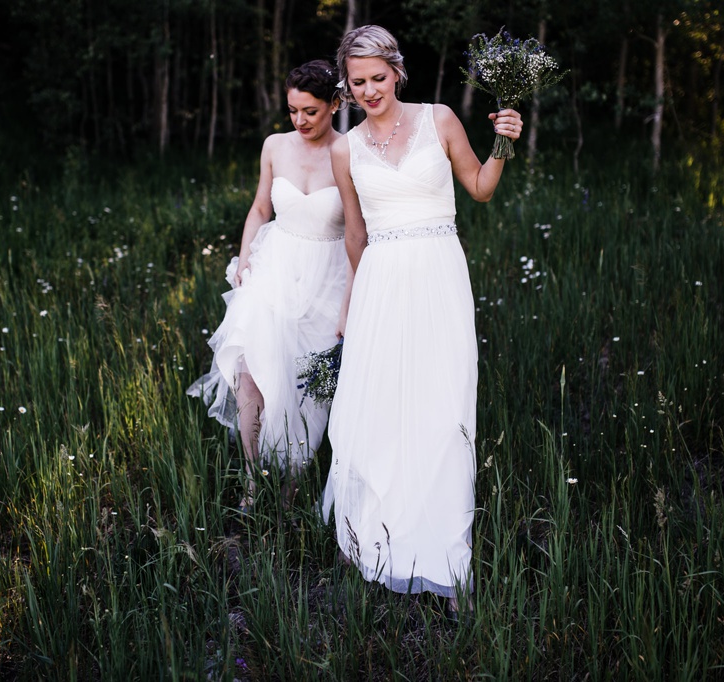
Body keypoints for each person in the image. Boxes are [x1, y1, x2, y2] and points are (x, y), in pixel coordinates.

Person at [321, 25, 523, 616]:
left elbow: (481, 189)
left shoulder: (439, 119)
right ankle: (377, 537)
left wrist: (504, 143)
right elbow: (354, 233)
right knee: (380, 404)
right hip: (382, 282)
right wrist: (357, 302)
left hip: (438, 274)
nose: (368, 91)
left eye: (377, 78)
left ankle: (443, 552)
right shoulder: (344, 148)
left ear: (397, 71)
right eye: (357, 83)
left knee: (441, 402)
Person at [188, 60, 347, 511]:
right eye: (293, 109)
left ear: (335, 104)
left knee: (305, 390)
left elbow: (359, 230)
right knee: (251, 378)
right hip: (273, 268)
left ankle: (292, 486)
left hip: (326, 277)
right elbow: (260, 208)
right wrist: (245, 259)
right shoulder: (275, 146)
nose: (300, 120)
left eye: (310, 111)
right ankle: (253, 479)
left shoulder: (350, 152)